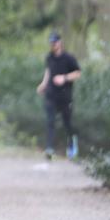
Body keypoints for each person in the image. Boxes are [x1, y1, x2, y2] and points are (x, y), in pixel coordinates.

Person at [36, 32, 81, 160]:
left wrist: (64, 78)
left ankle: (72, 145)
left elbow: (78, 73)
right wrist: (43, 84)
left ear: (60, 43)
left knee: (67, 123)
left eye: (55, 42)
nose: (53, 45)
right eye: (51, 42)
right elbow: (48, 71)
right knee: (50, 121)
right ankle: (49, 148)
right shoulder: (49, 57)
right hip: (51, 95)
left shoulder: (69, 58)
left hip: (65, 96)